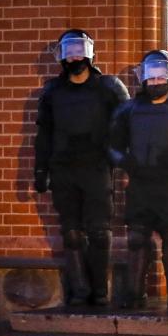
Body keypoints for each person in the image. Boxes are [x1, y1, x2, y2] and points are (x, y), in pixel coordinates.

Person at [34, 29, 129, 306]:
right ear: (62, 56)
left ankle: (100, 291)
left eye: (79, 49)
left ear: (89, 53)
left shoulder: (109, 87)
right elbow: (44, 134)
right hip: (63, 169)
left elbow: (126, 126)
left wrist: (124, 162)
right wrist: (40, 170)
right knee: (72, 232)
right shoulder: (53, 91)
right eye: (69, 50)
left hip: (97, 168)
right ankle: (80, 290)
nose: (75, 55)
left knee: (99, 231)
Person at [108, 49, 168, 310]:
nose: (155, 83)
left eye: (160, 78)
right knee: (137, 238)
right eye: (150, 79)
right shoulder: (129, 110)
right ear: (144, 80)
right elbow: (112, 145)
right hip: (140, 182)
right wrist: (126, 162)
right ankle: (134, 292)